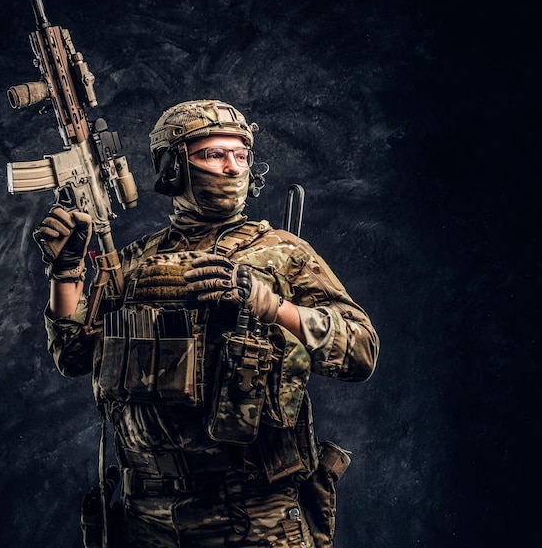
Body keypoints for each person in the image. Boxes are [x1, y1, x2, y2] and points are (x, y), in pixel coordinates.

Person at [34, 99, 379, 548]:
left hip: (252, 514)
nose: (233, 168)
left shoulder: (283, 252)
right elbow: (73, 356)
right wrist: (66, 275)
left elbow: (361, 352)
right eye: (214, 154)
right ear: (173, 167)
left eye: (242, 155)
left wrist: (271, 306)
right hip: (147, 515)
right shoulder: (135, 262)